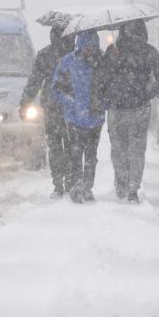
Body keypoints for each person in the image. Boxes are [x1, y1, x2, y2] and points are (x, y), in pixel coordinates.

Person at [96, 20, 159, 203]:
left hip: (117, 108)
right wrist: (147, 94)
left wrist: (106, 97)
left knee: (118, 149)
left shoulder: (112, 51)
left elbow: (101, 78)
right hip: (140, 108)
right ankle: (133, 189)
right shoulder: (148, 51)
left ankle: (121, 184)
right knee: (137, 150)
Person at [21, 25, 75, 198]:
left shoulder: (45, 54)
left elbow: (35, 81)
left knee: (55, 145)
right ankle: (70, 182)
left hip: (51, 105)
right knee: (72, 145)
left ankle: (59, 183)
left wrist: (25, 102)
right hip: (72, 105)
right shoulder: (75, 54)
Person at [51, 32, 105, 204]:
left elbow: (110, 86)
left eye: (93, 47)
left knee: (91, 156)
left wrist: (101, 104)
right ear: (80, 45)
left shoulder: (101, 63)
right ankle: (76, 186)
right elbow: (56, 89)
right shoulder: (67, 62)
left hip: (95, 118)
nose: (90, 50)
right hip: (74, 118)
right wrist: (71, 103)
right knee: (74, 154)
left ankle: (87, 187)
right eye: (87, 46)